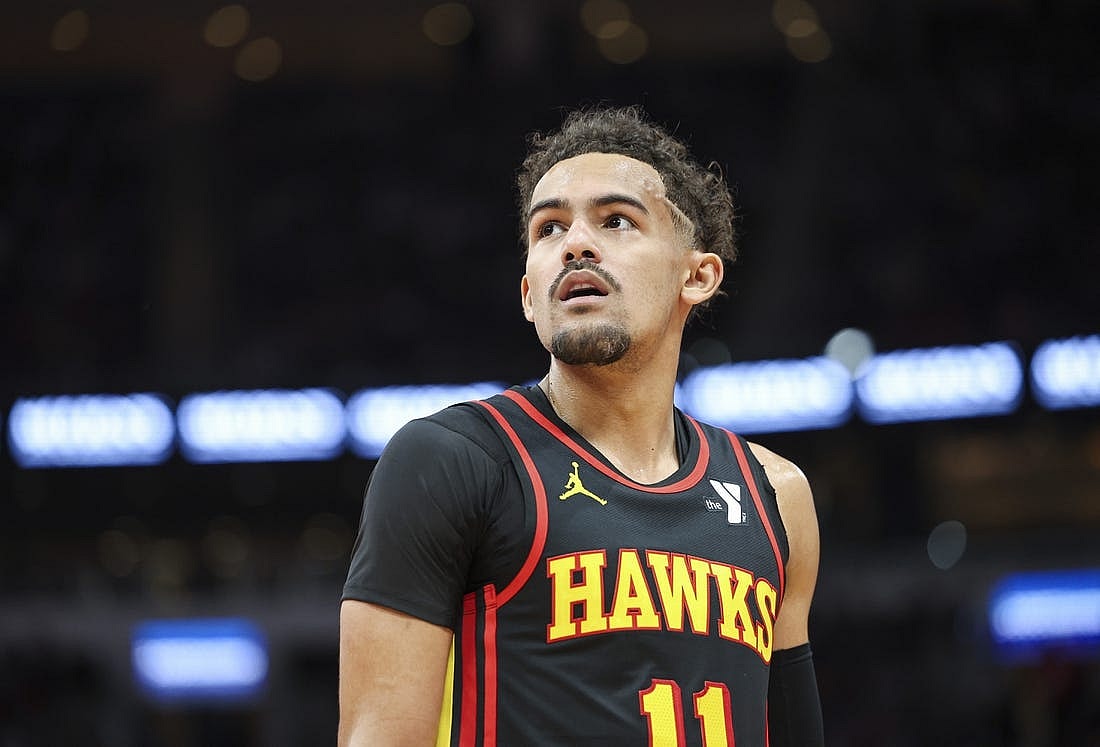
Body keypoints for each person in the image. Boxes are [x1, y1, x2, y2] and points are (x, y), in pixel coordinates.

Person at [339, 106, 823, 746]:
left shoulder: (776, 496)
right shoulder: (451, 460)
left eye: (616, 221)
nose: (575, 244)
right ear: (528, 294)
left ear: (697, 275)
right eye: (549, 229)